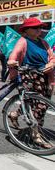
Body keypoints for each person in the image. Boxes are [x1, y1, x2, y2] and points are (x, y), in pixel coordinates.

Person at [8, 18, 55, 149]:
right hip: (29, 75)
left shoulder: (44, 42)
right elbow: (14, 55)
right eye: (35, 28)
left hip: (44, 76)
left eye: (40, 27)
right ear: (27, 30)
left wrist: (51, 63)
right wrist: (12, 61)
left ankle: (15, 114)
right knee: (39, 106)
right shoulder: (23, 41)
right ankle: (36, 135)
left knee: (37, 104)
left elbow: (52, 57)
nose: (39, 30)